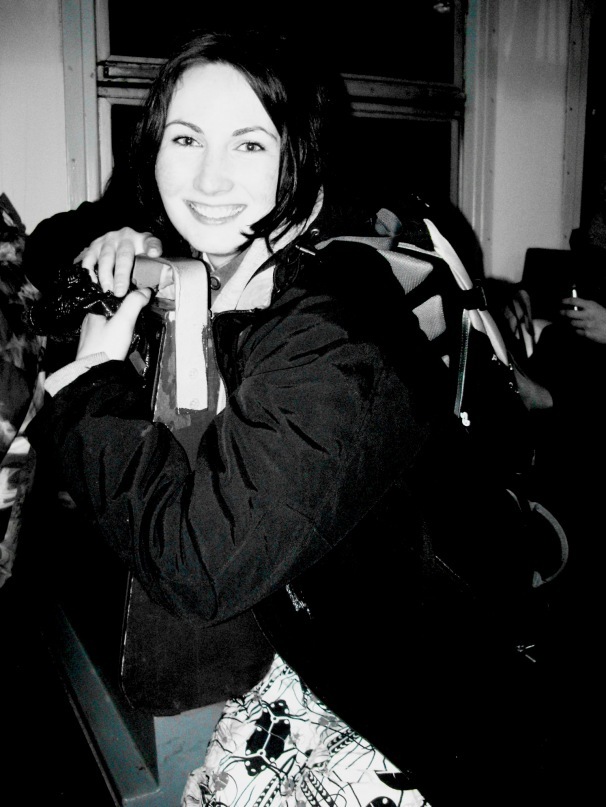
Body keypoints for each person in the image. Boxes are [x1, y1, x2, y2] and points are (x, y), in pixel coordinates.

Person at [25, 29, 579, 807]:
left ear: (296, 156)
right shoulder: (232, 261)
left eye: (250, 144)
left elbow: (202, 562)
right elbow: (49, 254)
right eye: (185, 138)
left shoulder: (337, 323)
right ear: (151, 152)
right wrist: (121, 239)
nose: (210, 177)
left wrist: (90, 388)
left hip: (438, 723)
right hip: (328, 652)